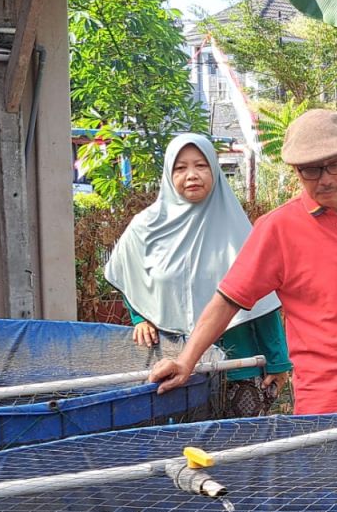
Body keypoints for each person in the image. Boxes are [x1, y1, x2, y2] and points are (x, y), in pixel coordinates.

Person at [150, 110, 337, 416]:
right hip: (325, 405)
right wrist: (186, 361)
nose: (326, 179)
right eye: (311, 171)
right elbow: (228, 299)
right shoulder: (277, 228)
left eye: (334, 164)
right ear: (295, 171)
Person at [104, 133, 292, 416]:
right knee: (181, 452)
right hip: (172, 364)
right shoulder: (145, 228)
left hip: (238, 366)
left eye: (201, 166)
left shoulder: (236, 230)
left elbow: (262, 303)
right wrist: (139, 317)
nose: (191, 175)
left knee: (239, 451)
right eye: (181, 168)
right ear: (169, 174)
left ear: (215, 171)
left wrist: (278, 363)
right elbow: (129, 273)